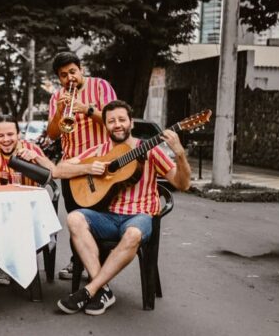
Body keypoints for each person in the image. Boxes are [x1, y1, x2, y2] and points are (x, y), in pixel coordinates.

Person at [54, 100, 191, 315]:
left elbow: (183, 184)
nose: (117, 125)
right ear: (106, 125)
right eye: (111, 121)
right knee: (74, 219)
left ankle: (91, 289)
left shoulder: (150, 151)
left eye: (121, 120)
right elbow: (58, 170)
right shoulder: (100, 150)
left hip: (140, 216)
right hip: (107, 217)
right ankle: (104, 290)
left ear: (131, 123)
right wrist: (88, 167)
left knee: (133, 233)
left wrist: (180, 154)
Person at [46, 51, 118, 280]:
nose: (69, 78)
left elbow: (115, 122)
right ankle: (78, 262)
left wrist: (85, 108)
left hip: (101, 165)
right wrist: (59, 111)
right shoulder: (57, 96)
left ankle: (96, 266)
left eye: (73, 72)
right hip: (72, 167)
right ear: (59, 78)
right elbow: (52, 133)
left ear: (81, 69)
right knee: (75, 217)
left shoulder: (101, 87)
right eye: (63, 75)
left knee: (97, 217)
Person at [0, 115, 61, 285]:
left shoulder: (31, 148)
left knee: (22, 222)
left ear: (18, 134)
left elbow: (54, 171)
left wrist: (36, 158)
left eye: (10, 134)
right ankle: (8, 266)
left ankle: (11, 265)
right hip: (2, 213)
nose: (6, 140)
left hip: (32, 213)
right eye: (1, 136)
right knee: (5, 220)